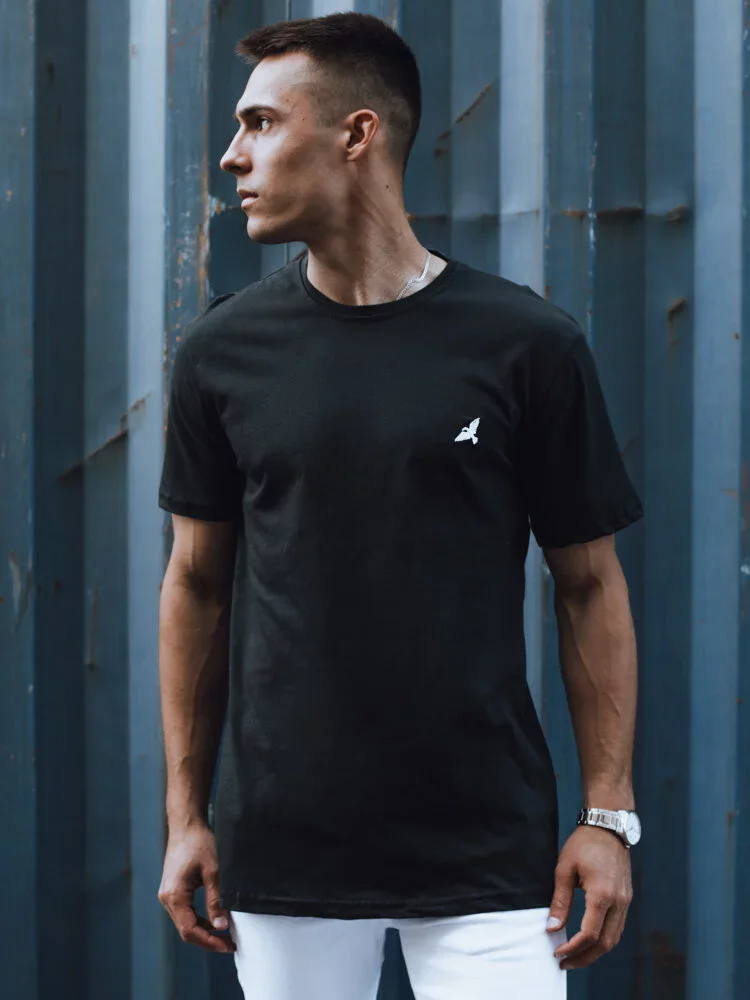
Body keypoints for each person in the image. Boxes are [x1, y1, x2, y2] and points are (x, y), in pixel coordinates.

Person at [156, 12, 643, 1000]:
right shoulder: (223, 351)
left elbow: (589, 584)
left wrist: (607, 815)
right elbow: (197, 585)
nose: (232, 155)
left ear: (358, 133)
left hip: (487, 851)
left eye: (260, 123)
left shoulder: (525, 344)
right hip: (284, 851)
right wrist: (185, 816)